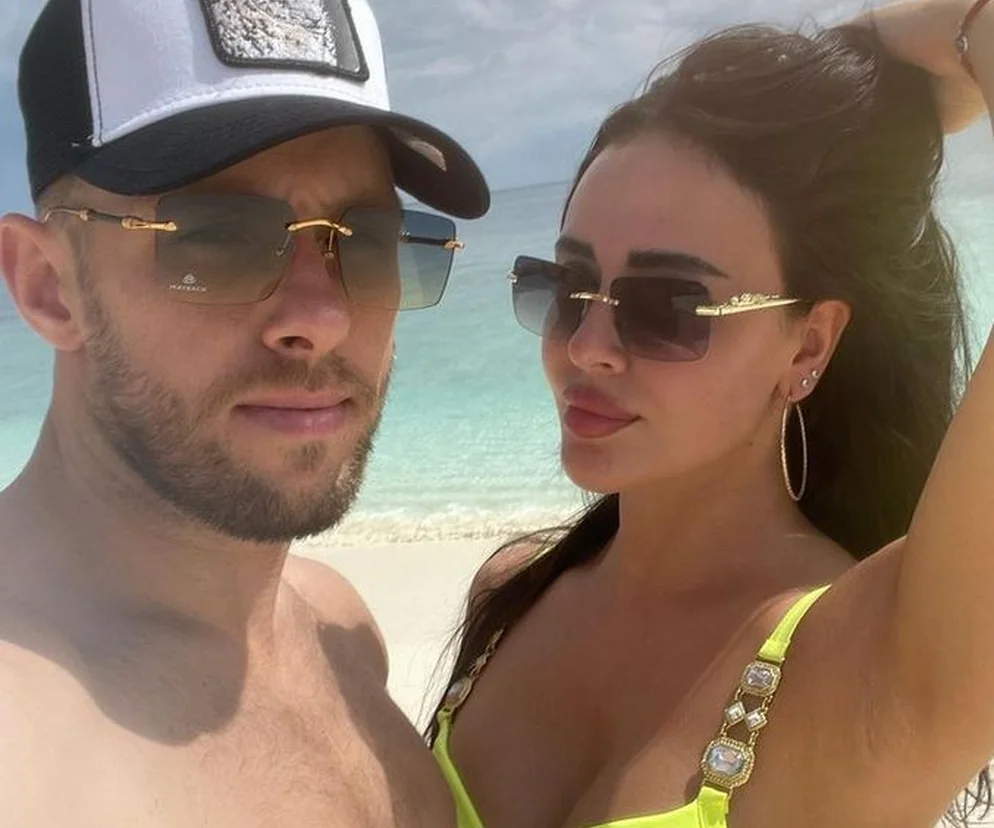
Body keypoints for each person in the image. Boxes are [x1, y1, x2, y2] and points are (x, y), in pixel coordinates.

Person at [428, 0, 994, 826]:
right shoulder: (514, 590)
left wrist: (926, 33)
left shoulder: (872, 657)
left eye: (667, 307)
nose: (587, 346)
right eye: (567, 285)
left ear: (808, 346)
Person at [0, 0, 488, 825]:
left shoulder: (338, 629)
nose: (323, 318)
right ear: (48, 285)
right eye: (216, 238)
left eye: (367, 241)